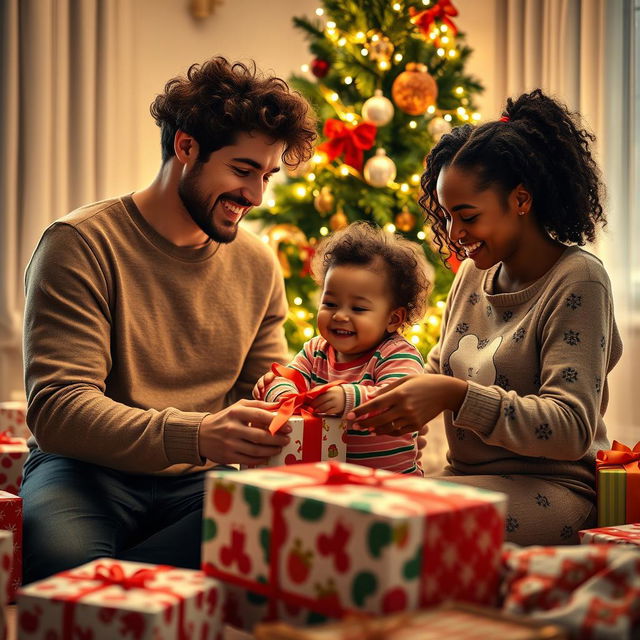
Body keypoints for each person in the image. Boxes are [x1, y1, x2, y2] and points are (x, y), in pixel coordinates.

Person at [21, 57, 317, 583]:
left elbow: (269, 391)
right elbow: (59, 411)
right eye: (244, 170)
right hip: (86, 472)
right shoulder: (80, 244)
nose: (255, 196)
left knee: (298, 537)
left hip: (201, 482)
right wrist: (199, 435)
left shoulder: (257, 264)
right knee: (67, 569)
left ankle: (125, 584)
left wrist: (309, 401)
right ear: (186, 148)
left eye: (267, 176)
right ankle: (136, 583)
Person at [347, 89, 623, 545]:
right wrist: (361, 398)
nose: (454, 235)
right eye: (447, 215)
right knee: (356, 507)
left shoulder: (579, 280)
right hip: (465, 480)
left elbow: (571, 428)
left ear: (520, 199)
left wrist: (457, 395)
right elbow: (435, 371)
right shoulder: (475, 275)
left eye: (467, 216)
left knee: (391, 527)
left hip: (554, 492)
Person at [254, 221, 431, 475]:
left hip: (391, 484)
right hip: (328, 478)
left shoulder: (397, 354)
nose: (339, 316)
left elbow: (398, 400)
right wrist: (280, 392)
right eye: (330, 304)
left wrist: (348, 398)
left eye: (358, 308)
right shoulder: (316, 350)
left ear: (393, 319)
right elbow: (287, 377)